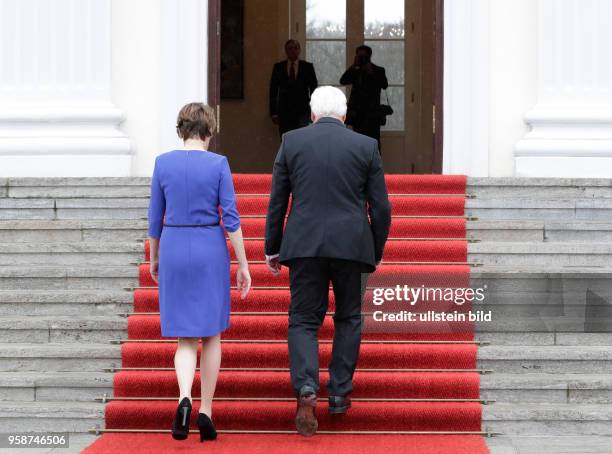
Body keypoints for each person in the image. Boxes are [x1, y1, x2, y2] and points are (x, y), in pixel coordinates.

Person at [264, 86, 392, 436]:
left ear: (312, 114)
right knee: (349, 317)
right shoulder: (366, 146)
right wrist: (375, 250)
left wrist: (272, 247)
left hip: (304, 244)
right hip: (352, 245)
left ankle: (307, 387)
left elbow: (278, 200)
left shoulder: (292, 142)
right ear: (345, 115)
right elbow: (380, 208)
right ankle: (338, 392)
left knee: (304, 319)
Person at [147, 102, 252, 442]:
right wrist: (244, 264)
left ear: (181, 130)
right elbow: (232, 219)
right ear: (209, 130)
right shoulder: (219, 164)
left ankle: (183, 398)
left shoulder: (163, 164)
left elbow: (154, 219)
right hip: (209, 246)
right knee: (212, 334)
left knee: (185, 337)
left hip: (175, 244)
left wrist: (155, 257)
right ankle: (205, 409)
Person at [339, 45, 389, 150]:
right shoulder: (355, 70)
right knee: (357, 143)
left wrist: (372, 73)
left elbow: (384, 85)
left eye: (364, 56)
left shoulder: (378, 70)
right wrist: (354, 66)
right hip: (357, 114)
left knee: (374, 142)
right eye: (359, 56)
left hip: (373, 114)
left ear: (369, 56)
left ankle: (375, 165)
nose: (362, 59)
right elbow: (343, 81)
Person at [269, 39, 318, 137]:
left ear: (299, 50)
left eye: (295, 48)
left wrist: (314, 110)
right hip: (284, 112)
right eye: (290, 48)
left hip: (303, 111)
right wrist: (273, 112)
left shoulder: (307, 67)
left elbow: (314, 90)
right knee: (286, 141)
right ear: (286, 50)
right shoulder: (278, 67)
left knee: (302, 141)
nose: (293, 51)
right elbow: (273, 91)